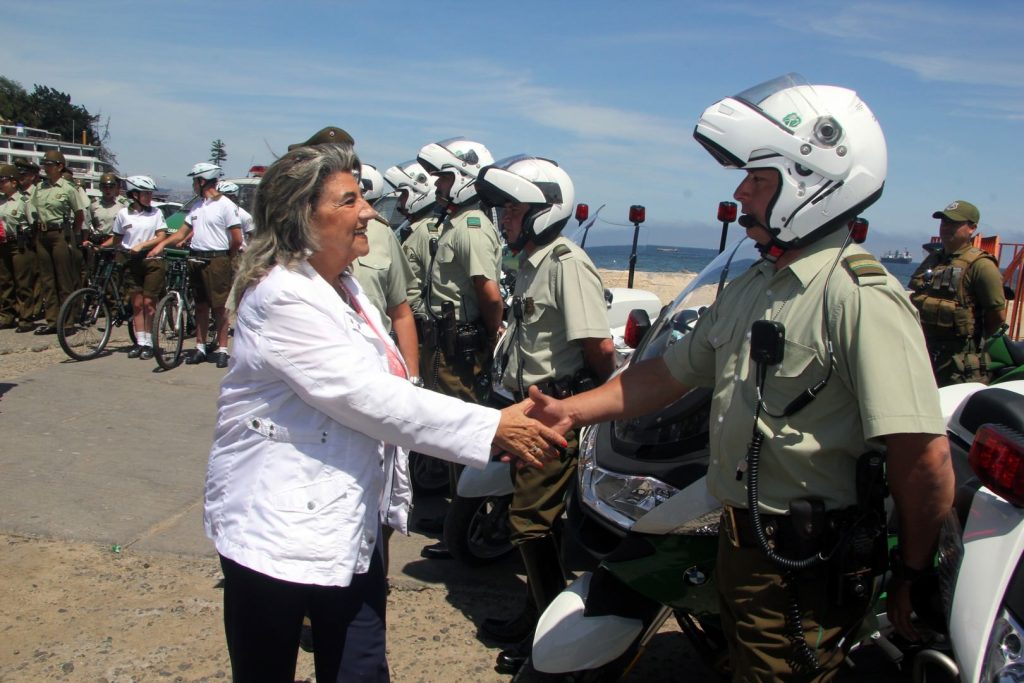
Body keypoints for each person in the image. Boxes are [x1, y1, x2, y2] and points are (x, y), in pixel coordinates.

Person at [525, 74, 954, 682]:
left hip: (801, 559)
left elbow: (923, 456)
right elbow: (667, 375)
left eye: (759, 179)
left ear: (812, 182)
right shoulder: (755, 285)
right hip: (735, 538)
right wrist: (572, 410)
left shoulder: (859, 297)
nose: (740, 192)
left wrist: (913, 571)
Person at [203, 142, 567, 682]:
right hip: (277, 526)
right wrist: (494, 426)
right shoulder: (281, 296)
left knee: (361, 667)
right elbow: (365, 396)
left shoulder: (344, 288)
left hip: (346, 520)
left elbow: (389, 380)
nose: (370, 212)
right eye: (350, 200)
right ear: (304, 217)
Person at [473, 155, 617, 673]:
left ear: (544, 210)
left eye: (514, 209)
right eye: (504, 209)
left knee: (530, 521)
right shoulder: (531, 262)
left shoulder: (565, 263)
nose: (504, 218)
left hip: (555, 413)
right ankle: (535, 613)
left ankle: (551, 635)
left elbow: (599, 347)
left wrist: (595, 408)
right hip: (528, 410)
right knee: (538, 521)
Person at [414, 137, 503, 557]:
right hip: (445, 343)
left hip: (461, 345)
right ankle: (455, 516)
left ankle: (466, 524)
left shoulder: (471, 229)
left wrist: (488, 335)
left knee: (461, 434)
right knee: (448, 433)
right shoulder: (454, 223)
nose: (438, 185)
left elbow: (489, 294)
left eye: (446, 178)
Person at [150, 162, 242, 368]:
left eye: (194, 181)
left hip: (217, 259)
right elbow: (181, 233)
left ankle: (222, 349)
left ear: (203, 181)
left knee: (220, 308)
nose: (193, 185)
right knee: (200, 306)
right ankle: (200, 347)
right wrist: (161, 245)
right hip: (196, 258)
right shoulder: (197, 206)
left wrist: (227, 257)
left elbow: (237, 238)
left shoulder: (225, 205)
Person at [908, 200, 1006, 386]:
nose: (946, 227)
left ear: (972, 228)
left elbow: (997, 317)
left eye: (954, 223)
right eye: (944, 222)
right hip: (923, 352)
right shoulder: (934, 259)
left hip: (957, 363)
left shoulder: (981, 266)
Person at [350, 162, 420, 375]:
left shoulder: (381, 232)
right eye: (348, 200)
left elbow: (400, 311)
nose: (367, 212)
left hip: (380, 365)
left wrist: (413, 378)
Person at [99, 176, 168, 360]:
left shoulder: (156, 213)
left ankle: (151, 342)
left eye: (150, 193)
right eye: (146, 193)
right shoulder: (123, 214)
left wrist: (143, 245)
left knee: (149, 303)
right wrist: (101, 246)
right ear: (134, 195)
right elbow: (117, 238)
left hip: (152, 261)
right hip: (131, 261)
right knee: (137, 304)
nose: (149, 197)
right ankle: (140, 341)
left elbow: (161, 236)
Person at [29, 150, 87, 334]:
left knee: (64, 279)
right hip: (42, 234)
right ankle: (52, 320)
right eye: (44, 165)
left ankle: (68, 321)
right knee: (47, 279)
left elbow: (79, 215)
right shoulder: (40, 187)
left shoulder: (68, 188)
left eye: (49, 165)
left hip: (60, 234)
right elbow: (33, 209)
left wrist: (72, 235)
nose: (46, 168)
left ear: (60, 167)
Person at [383, 160, 438, 316]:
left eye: (404, 194)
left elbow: (435, 280)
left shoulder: (427, 232)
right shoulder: (413, 229)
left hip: (415, 314)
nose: (400, 200)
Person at [217, 181, 255, 246]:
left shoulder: (243, 215)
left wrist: (248, 249)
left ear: (232, 197)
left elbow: (252, 235)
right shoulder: (216, 212)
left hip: (238, 250)